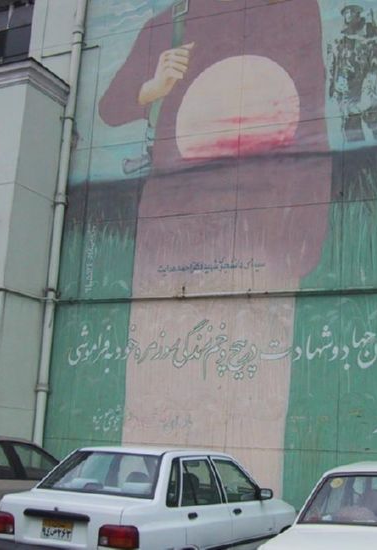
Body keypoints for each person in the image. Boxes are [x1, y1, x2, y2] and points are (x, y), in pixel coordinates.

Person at [98, 0, 331, 494]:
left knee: (254, 399)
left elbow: (313, 113)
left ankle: (249, 497)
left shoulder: (292, 12)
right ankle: (143, 497)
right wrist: (152, 88)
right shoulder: (169, 23)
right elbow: (111, 106)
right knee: (159, 388)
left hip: (265, 227)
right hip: (172, 228)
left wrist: (306, 229)